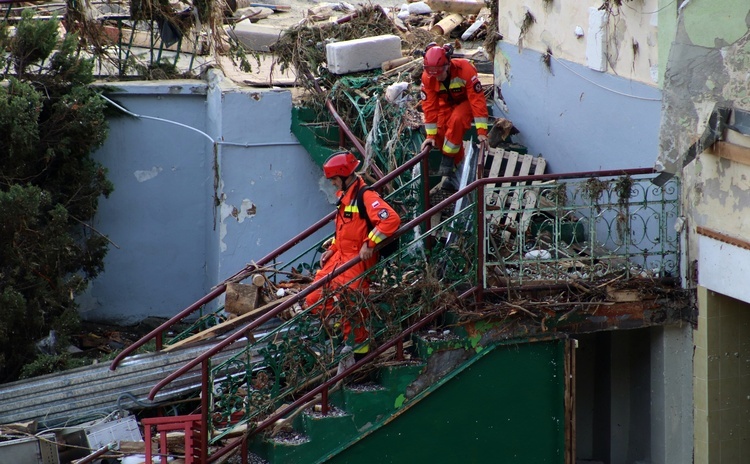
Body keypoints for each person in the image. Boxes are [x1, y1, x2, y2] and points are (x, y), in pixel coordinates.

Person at [305, 151, 401, 359]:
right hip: (339, 257)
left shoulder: (366, 197)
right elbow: (346, 230)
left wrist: (370, 243)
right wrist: (333, 247)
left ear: (343, 176)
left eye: (334, 180)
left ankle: (360, 357)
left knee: (353, 307)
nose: (332, 184)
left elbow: (391, 220)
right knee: (314, 297)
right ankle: (340, 330)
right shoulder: (344, 198)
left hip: (356, 261)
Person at [419, 42, 489, 184]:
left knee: (457, 120)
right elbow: (429, 106)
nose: (437, 78)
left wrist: (482, 131)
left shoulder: (466, 70)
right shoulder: (428, 77)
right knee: (440, 131)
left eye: (440, 74)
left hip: (466, 102)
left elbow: (477, 100)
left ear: (447, 65)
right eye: (434, 75)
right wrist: (430, 135)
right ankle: (455, 174)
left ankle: (448, 161)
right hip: (445, 103)